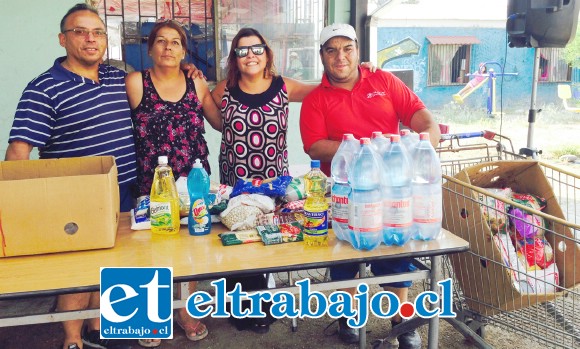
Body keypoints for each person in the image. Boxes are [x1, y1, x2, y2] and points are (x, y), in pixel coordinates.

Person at [299, 23, 441, 348]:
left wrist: (425, 141)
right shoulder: (316, 99)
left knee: (394, 251)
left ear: (358, 51)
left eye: (347, 49)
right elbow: (315, 146)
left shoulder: (383, 80)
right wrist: (367, 150)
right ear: (322, 56)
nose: (340, 57)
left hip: (391, 189)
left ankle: (402, 321)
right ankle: (349, 317)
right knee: (346, 255)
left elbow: (420, 116)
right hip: (345, 191)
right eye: (331, 50)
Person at [4, 4, 136, 349]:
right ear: (62, 39)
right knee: (79, 275)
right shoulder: (44, 88)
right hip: (75, 200)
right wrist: (19, 207)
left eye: (97, 32)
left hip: (126, 191)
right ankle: (73, 340)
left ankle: (99, 329)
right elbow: (20, 151)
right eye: (80, 31)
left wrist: (187, 70)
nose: (90, 39)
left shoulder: (116, 78)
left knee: (115, 268)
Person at [125, 19, 221, 348]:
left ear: (184, 49)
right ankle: (151, 314)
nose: (169, 47)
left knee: (192, 244)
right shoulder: (136, 82)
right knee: (150, 248)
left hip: (193, 177)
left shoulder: (196, 84)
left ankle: (185, 310)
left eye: (176, 42)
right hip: (151, 180)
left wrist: (234, 83)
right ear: (150, 49)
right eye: (162, 42)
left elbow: (220, 121)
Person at [210, 27, 317, 187]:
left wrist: (359, 74)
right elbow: (218, 120)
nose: (250, 55)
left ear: (267, 55)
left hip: (275, 186)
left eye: (258, 49)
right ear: (235, 58)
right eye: (242, 51)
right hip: (235, 188)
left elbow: (326, 90)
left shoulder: (284, 86)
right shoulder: (224, 89)